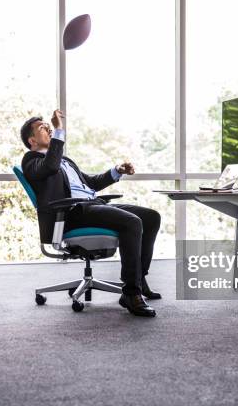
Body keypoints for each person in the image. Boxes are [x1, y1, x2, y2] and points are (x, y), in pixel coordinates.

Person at [20, 110, 161, 317]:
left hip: (92, 205)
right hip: (72, 213)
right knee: (132, 223)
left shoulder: (65, 161)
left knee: (150, 217)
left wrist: (117, 171)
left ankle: (139, 279)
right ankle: (131, 293)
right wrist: (59, 130)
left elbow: (90, 183)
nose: (48, 128)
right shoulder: (31, 161)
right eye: (42, 127)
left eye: (48, 126)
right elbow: (49, 166)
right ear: (32, 140)